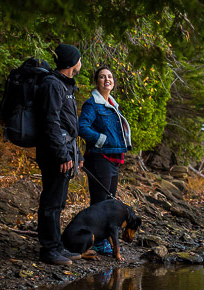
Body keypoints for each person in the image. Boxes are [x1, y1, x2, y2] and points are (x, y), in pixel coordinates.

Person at [35, 43, 84, 265]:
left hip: (65, 151)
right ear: (72, 63)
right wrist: (63, 155)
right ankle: (49, 250)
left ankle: (57, 245)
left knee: (58, 201)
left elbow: (68, 126)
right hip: (55, 154)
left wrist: (77, 154)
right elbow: (50, 123)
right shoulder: (52, 85)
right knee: (51, 202)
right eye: (79, 59)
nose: (81, 63)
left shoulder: (65, 86)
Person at [77, 65, 133, 254]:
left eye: (109, 76)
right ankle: (98, 241)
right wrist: (101, 139)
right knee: (100, 202)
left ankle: (104, 240)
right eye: (102, 77)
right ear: (96, 82)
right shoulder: (92, 104)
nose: (107, 79)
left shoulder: (111, 104)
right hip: (99, 157)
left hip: (114, 156)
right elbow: (82, 127)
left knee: (109, 201)